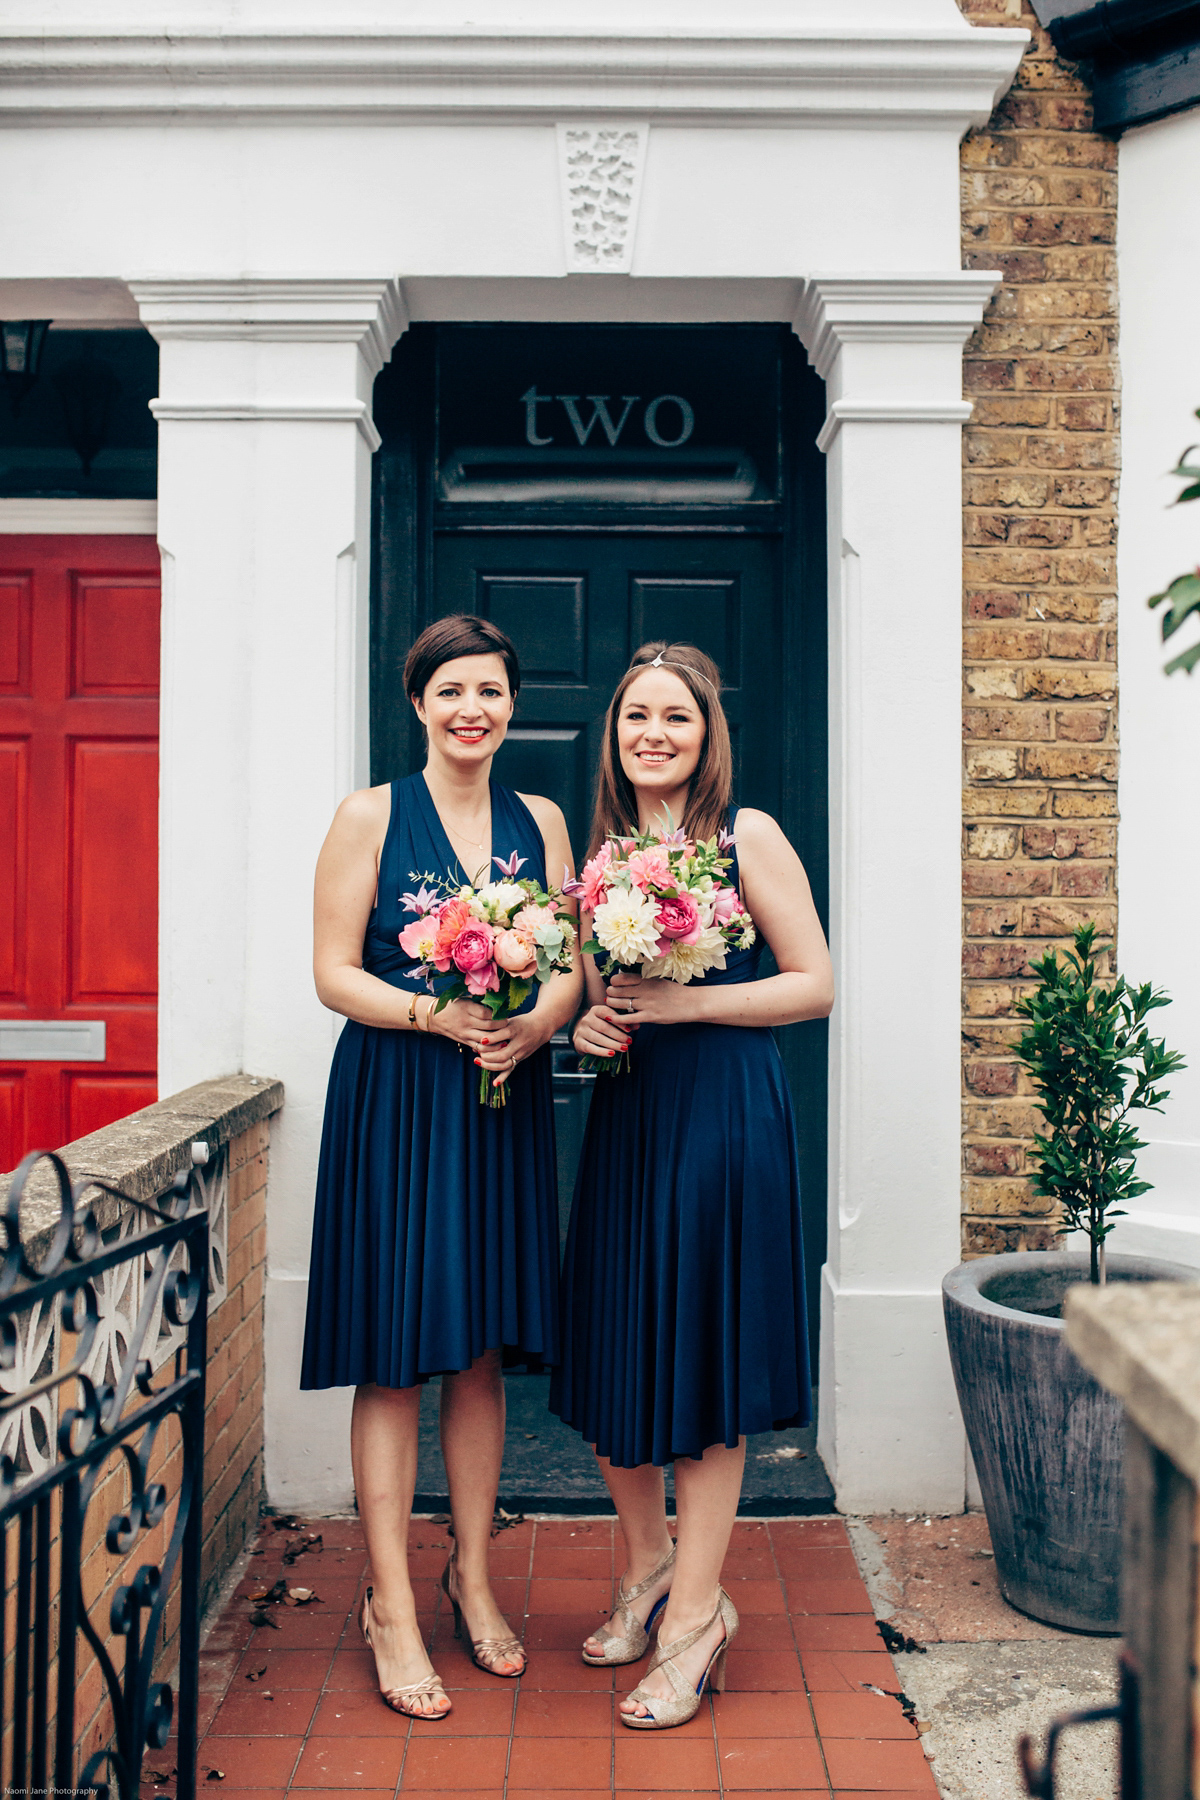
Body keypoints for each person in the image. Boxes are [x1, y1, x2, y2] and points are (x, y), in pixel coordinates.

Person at [301, 613, 581, 1720]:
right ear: (417, 703)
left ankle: (469, 1574)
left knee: (476, 1350)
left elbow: (566, 964)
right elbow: (331, 972)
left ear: (513, 707)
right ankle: (390, 1605)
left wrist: (535, 1024)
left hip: (500, 1099)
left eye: (493, 692)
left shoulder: (542, 819)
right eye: (452, 690)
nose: (474, 709)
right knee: (394, 1354)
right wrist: (435, 1013)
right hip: (399, 1098)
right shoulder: (368, 816)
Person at [550, 641, 834, 1730]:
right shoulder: (602, 852)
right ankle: (646, 1565)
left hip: (724, 1111)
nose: (654, 734)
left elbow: (814, 984)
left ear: (708, 734)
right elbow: (589, 991)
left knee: (706, 1352)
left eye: (676, 717)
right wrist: (589, 1016)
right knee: (620, 1340)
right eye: (636, 718)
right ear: (614, 736)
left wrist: (687, 1007)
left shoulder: (744, 837)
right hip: (629, 1115)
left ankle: (697, 1616)